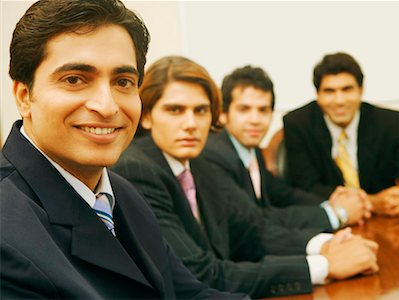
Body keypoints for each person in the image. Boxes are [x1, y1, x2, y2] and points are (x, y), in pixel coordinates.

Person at [0, 1, 247, 298]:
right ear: (24, 96)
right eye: (75, 79)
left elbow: (189, 294)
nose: (107, 106)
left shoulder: (122, 193)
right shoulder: (7, 233)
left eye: (123, 81)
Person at [112, 55, 379, 298]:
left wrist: (327, 244)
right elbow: (199, 274)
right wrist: (325, 265)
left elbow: (249, 234)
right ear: (146, 116)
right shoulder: (137, 169)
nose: (191, 123)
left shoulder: (198, 162)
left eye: (201, 111)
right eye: (175, 110)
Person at [203, 65, 372, 230]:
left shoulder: (250, 149)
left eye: (263, 110)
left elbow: (282, 193)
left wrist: (332, 202)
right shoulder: (213, 156)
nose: (255, 119)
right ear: (223, 114)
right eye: (244, 109)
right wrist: (336, 214)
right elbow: (255, 219)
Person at [283, 52, 399, 223]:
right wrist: (371, 202)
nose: (339, 100)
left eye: (347, 89)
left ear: (361, 90)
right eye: (329, 91)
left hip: (384, 225)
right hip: (330, 224)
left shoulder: (388, 122)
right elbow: (306, 189)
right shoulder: (298, 124)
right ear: (318, 96)